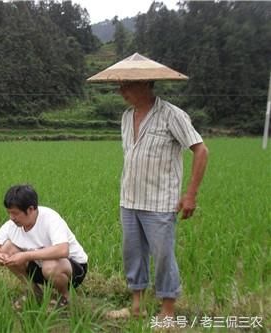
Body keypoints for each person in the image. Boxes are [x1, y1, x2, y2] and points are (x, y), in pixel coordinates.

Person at [89, 54, 209, 320]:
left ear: (145, 83)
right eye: (119, 86)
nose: (122, 91)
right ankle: (136, 306)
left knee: (163, 256)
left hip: (160, 201)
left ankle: (167, 313)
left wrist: (190, 194)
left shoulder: (171, 115)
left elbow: (201, 151)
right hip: (129, 199)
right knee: (133, 254)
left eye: (126, 86)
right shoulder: (126, 117)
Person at [0, 185, 88, 308]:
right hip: (40, 267)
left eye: (15, 213)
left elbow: (63, 250)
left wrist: (25, 256)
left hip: (73, 269)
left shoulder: (50, 218)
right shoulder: (12, 225)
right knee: (6, 249)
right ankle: (34, 292)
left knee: (50, 265)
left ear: (30, 209)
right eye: (9, 213)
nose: (11, 218)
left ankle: (65, 297)